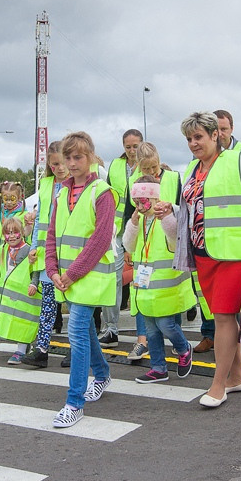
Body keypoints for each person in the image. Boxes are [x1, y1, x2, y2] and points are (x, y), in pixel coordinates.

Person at [175, 112, 241, 408]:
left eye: (198, 137)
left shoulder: (238, 159)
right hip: (203, 254)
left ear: (215, 135)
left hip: (236, 253)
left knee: (225, 316)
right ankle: (237, 377)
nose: (193, 143)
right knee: (221, 316)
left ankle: (218, 385)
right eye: (189, 139)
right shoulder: (192, 168)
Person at [45, 131, 117, 428]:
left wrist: (70, 274)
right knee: (85, 331)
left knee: (76, 331)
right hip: (67, 278)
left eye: (78, 157)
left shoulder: (103, 192)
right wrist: (52, 272)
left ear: (91, 158)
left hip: (90, 277)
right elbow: (52, 236)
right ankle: (102, 375)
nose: (72, 163)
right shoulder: (61, 192)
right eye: (68, 157)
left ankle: (74, 403)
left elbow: (100, 241)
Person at [124, 174, 195, 383]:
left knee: (166, 325)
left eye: (143, 201)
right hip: (145, 290)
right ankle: (158, 368)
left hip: (165, 290)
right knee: (151, 330)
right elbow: (128, 245)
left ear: (155, 198)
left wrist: (166, 216)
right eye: (136, 202)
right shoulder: (139, 221)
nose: (140, 206)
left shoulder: (166, 218)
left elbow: (175, 238)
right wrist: (133, 223)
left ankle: (183, 349)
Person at [122, 142, 180, 360]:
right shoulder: (132, 182)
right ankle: (142, 340)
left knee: (170, 291)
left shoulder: (173, 178)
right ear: (138, 166)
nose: (152, 172)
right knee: (141, 293)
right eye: (146, 169)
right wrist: (127, 244)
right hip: (144, 247)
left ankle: (176, 338)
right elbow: (129, 212)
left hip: (168, 244)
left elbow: (182, 209)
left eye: (154, 167)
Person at [23, 141, 69, 369]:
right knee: (48, 305)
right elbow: (41, 217)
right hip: (48, 254)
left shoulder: (77, 184)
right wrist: (34, 246)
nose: (59, 168)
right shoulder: (46, 185)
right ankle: (41, 350)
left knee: (75, 303)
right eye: (54, 164)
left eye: (62, 163)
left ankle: (79, 350)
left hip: (70, 253)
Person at [99, 129, 143, 349]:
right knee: (113, 278)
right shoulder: (115, 166)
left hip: (141, 229)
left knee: (143, 280)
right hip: (116, 231)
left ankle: (147, 334)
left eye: (135, 146)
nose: (132, 151)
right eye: (128, 146)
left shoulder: (147, 164)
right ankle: (111, 328)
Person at [0, 216, 41, 365]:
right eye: (7, 233)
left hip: (25, 294)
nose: (11, 236)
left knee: (23, 321)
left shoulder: (27, 250)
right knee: (15, 321)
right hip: (13, 295)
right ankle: (22, 347)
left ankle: (21, 350)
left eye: (14, 232)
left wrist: (34, 284)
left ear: (22, 232)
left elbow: (34, 270)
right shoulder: (5, 250)